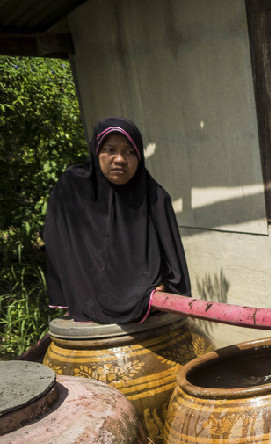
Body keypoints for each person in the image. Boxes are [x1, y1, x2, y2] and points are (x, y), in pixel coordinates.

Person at [43, 117, 191, 324]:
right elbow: (58, 245)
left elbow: (171, 253)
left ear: (139, 156)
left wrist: (167, 284)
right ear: (96, 152)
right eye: (110, 150)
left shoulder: (154, 197)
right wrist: (70, 294)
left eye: (130, 151)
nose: (120, 159)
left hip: (145, 303)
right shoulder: (72, 190)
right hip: (85, 298)